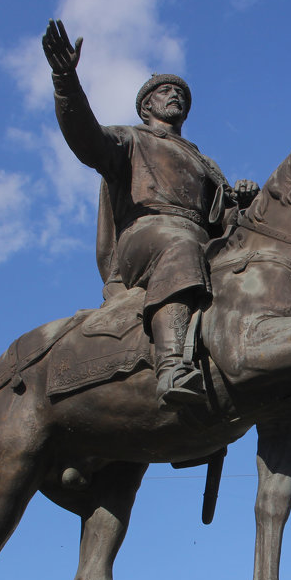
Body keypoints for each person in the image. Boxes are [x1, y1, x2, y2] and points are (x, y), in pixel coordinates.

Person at [42, 20, 258, 409]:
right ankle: (172, 365)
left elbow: (227, 223)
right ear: (147, 107)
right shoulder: (130, 139)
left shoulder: (204, 162)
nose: (174, 95)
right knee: (180, 244)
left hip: (200, 240)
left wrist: (242, 201)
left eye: (179, 93)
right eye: (165, 91)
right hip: (148, 236)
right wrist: (65, 80)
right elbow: (85, 136)